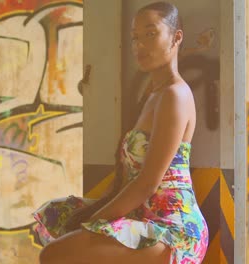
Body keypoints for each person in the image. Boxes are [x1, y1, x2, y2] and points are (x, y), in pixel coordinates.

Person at [32, 2, 209, 263]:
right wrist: (88, 216)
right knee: (56, 214)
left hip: (172, 229)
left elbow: (147, 183)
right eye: (135, 38)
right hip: (143, 218)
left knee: (55, 254)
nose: (140, 45)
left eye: (151, 34)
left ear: (176, 38)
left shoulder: (175, 95)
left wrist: (92, 223)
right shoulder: (153, 96)